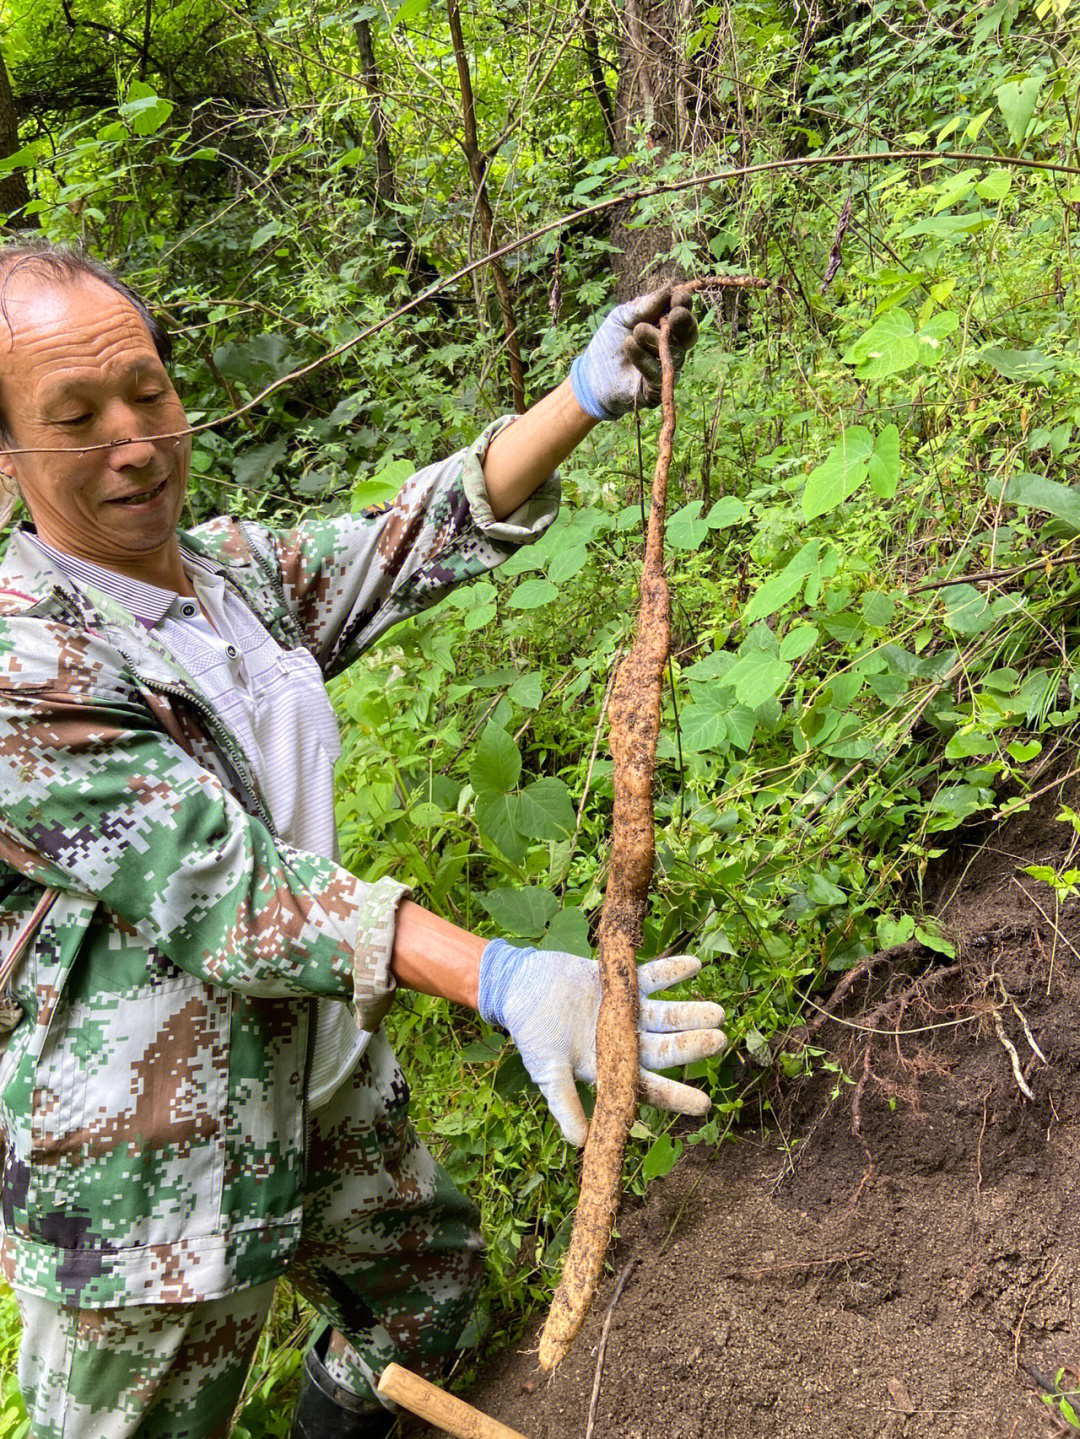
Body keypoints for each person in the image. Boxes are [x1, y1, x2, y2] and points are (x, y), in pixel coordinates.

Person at [0, 239, 726, 1439]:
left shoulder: (226, 578)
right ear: (10, 449)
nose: (132, 440)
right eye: (75, 416)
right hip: (149, 1167)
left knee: (430, 1299)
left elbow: (406, 536)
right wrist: (498, 973)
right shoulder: (25, 664)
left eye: (147, 390)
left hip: (316, 1076)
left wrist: (586, 393)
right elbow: (234, 892)